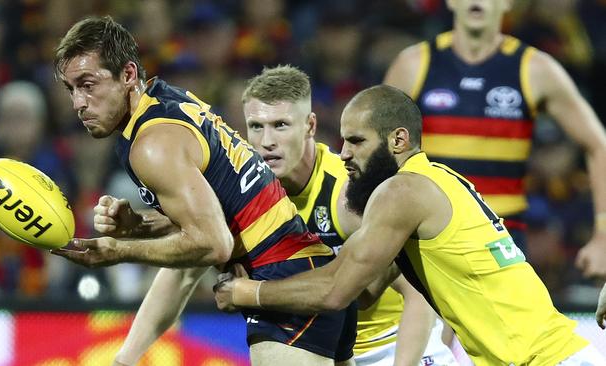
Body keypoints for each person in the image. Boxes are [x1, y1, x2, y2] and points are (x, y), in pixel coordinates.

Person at [215, 85, 606, 366]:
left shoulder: (401, 192)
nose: (345, 154)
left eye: (357, 141)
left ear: (398, 139)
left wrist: (250, 293)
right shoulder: (436, 181)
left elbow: (336, 291)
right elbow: (364, 293)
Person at [50, 16, 354, 366]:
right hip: (307, 270)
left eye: (88, 84)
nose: (78, 103)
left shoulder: (152, 145)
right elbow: (206, 224)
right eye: (71, 89)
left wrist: (117, 251)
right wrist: (139, 228)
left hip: (284, 287)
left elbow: (212, 243)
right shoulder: (168, 101)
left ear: (129, 75)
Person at [242, 65, 458, 366]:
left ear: (310, 126)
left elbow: (418, 291)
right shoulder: (249, 196)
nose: (266, 141)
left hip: (394, 346)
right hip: (323, 351)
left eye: (280, 125)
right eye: (255, 126)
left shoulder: (346, 192)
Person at [383, 0, 606, 278]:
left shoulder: (534, 68)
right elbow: (375, 149)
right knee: (423, 321)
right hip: (428, 235)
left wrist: (603, 235)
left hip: (502, 238)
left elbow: (599, 145)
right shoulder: (415, 64)